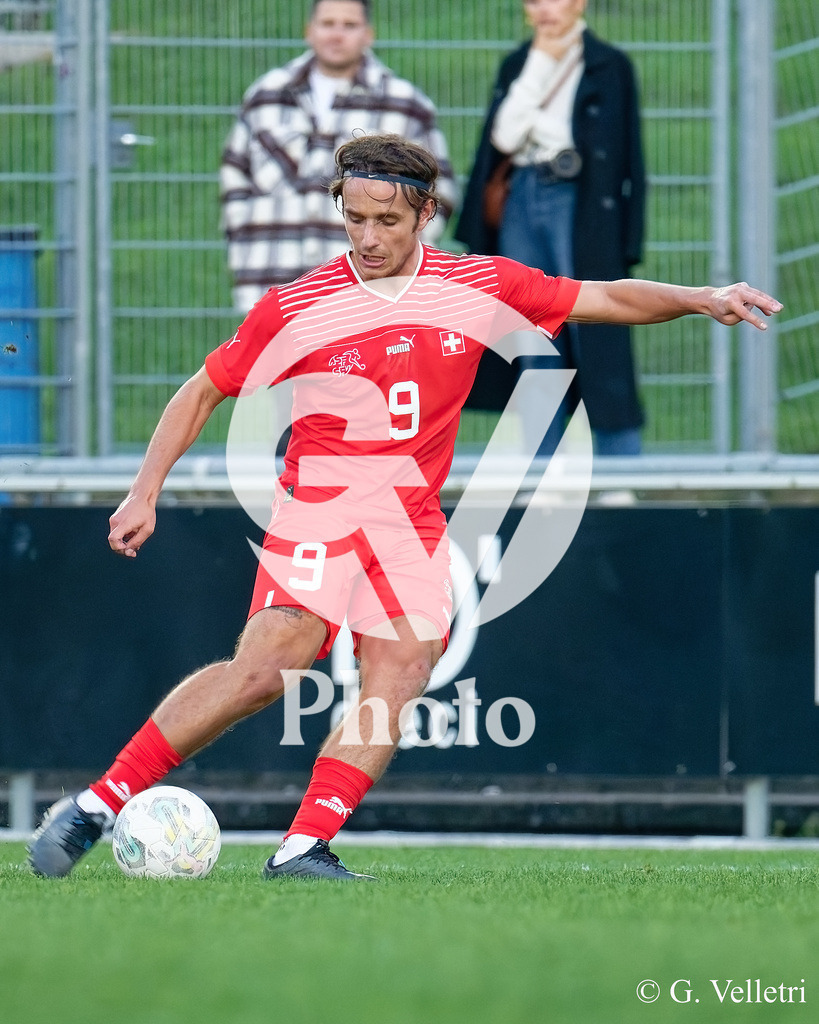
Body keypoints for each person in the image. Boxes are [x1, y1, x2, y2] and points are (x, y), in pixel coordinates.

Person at [28, 132, 780, 882]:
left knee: (401, 667)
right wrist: (144, 489)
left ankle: (302, 848)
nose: (367, 237)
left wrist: (700, 298)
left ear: (425, 215)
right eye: (353, 219)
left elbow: (603, 297)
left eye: (386, 221)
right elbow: (201, 391)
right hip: (318, 512)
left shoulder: (477, 285)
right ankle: (98, 804)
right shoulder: (297, 305)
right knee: (265, 670)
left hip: (409, 525)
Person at [455, 0, 646, 455]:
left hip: (582, 206)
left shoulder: (609, 64)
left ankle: (624, 472)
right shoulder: (520, 63)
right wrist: (541, 61)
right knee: (531, 335)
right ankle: (543, 478)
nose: (544, 9)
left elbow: (630, 157)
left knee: (600, 331)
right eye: (534, 0)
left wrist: (628, 239)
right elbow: (502, 139)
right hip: (522, 195)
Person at [220, 0, 458, 313]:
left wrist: (402, 256)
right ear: (309, 31)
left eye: (349, 25)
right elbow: (234, 175)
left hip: (366, 287)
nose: (337, 34)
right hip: (272, 274)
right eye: (328, 24)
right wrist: (243, 239)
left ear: (368, 34)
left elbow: (438, 193)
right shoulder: (265, 96)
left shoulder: (404, 104)